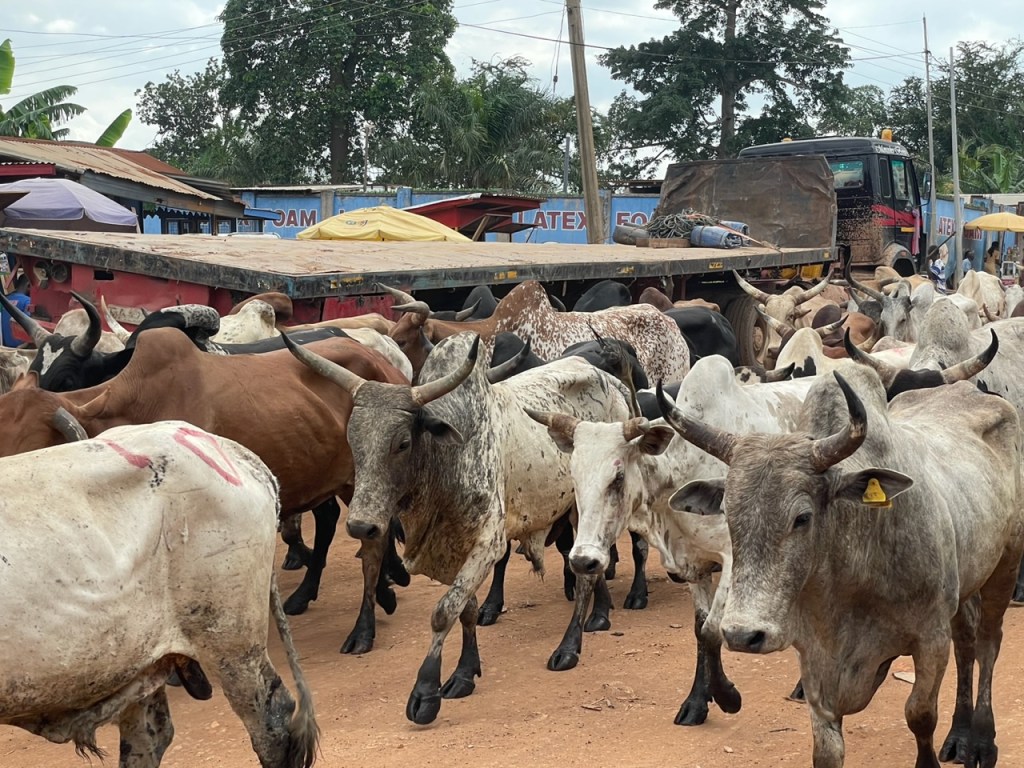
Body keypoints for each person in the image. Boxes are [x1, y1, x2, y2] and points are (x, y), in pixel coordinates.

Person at [2, 272, 30, 348]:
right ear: (28, 285)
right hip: (20, 348)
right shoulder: (27, 301)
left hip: (4, 346)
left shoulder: (5, 300)